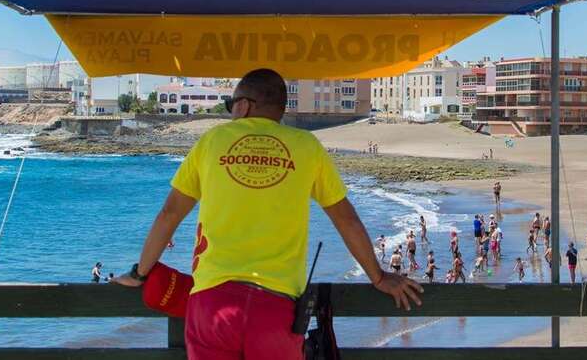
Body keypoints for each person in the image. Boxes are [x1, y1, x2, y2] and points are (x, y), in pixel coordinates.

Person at [115, 69, 423, 360]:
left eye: (230, 105)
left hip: (212, 304)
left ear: (244, 105)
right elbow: (346, 219)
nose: (230, 112)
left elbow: (169, 214)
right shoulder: (306, 146)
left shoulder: (213, 140)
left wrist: (140, 273)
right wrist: (377, 276)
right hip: (276, 307)